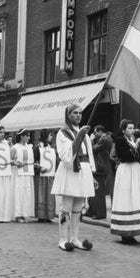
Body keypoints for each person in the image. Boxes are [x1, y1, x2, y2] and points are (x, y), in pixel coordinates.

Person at [51, 105, 95, 252]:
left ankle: (74, 238)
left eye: (80, 113)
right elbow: (65, 155)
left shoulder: (85, 133)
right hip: (71, 171)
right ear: (68, 115)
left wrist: (92, 175)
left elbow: (89, 155)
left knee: (78, 207)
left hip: (84, 170)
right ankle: (63, 239)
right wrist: (79, 136)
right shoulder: (63, 133)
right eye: (75, 113)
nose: (78, 115)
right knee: (66, 207)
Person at [110, 119, 140, 244]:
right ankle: (124, 232)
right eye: (129, 128)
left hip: (134, 170)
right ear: (123, 130)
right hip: (126, 170)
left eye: (133, 127)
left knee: (134, 198)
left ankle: (133, 231)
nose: (132, 130)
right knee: (125, 197)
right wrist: (138, 149)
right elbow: (126, 156)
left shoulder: (133, 141)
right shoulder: (120, 141)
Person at [85, 125, 111, 220]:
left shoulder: (105, 140)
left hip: (100, 168)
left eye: (96, 133)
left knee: (98, 192)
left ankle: (100, 213)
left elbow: (91, 149)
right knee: (93, 191)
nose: (95, 135)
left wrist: (91, 140)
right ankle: (91, 211)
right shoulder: (103, 139)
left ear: (100, 131)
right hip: (99, 167)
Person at [11, 129, 35, 223]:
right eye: (27, 135)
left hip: (28, 173)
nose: (29, 137)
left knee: (26, 193)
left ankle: (24, 213)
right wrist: (16, 163)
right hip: (18, 174)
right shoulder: (15, 147)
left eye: (29, 135)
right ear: (21, 136)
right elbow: (9, 160)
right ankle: (17, 214)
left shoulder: (30, 147)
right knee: (19, 193)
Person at [33, 129, 57, 223]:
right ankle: (41, 215)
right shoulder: (37, 148)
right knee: (41, 195)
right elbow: (34, 162)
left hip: (50, 175)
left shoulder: (51, 148)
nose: (51, 137)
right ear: (45, 136)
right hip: (41, 176)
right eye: (50, 135)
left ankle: (49, 215)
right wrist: (39, 168)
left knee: (49, 195)